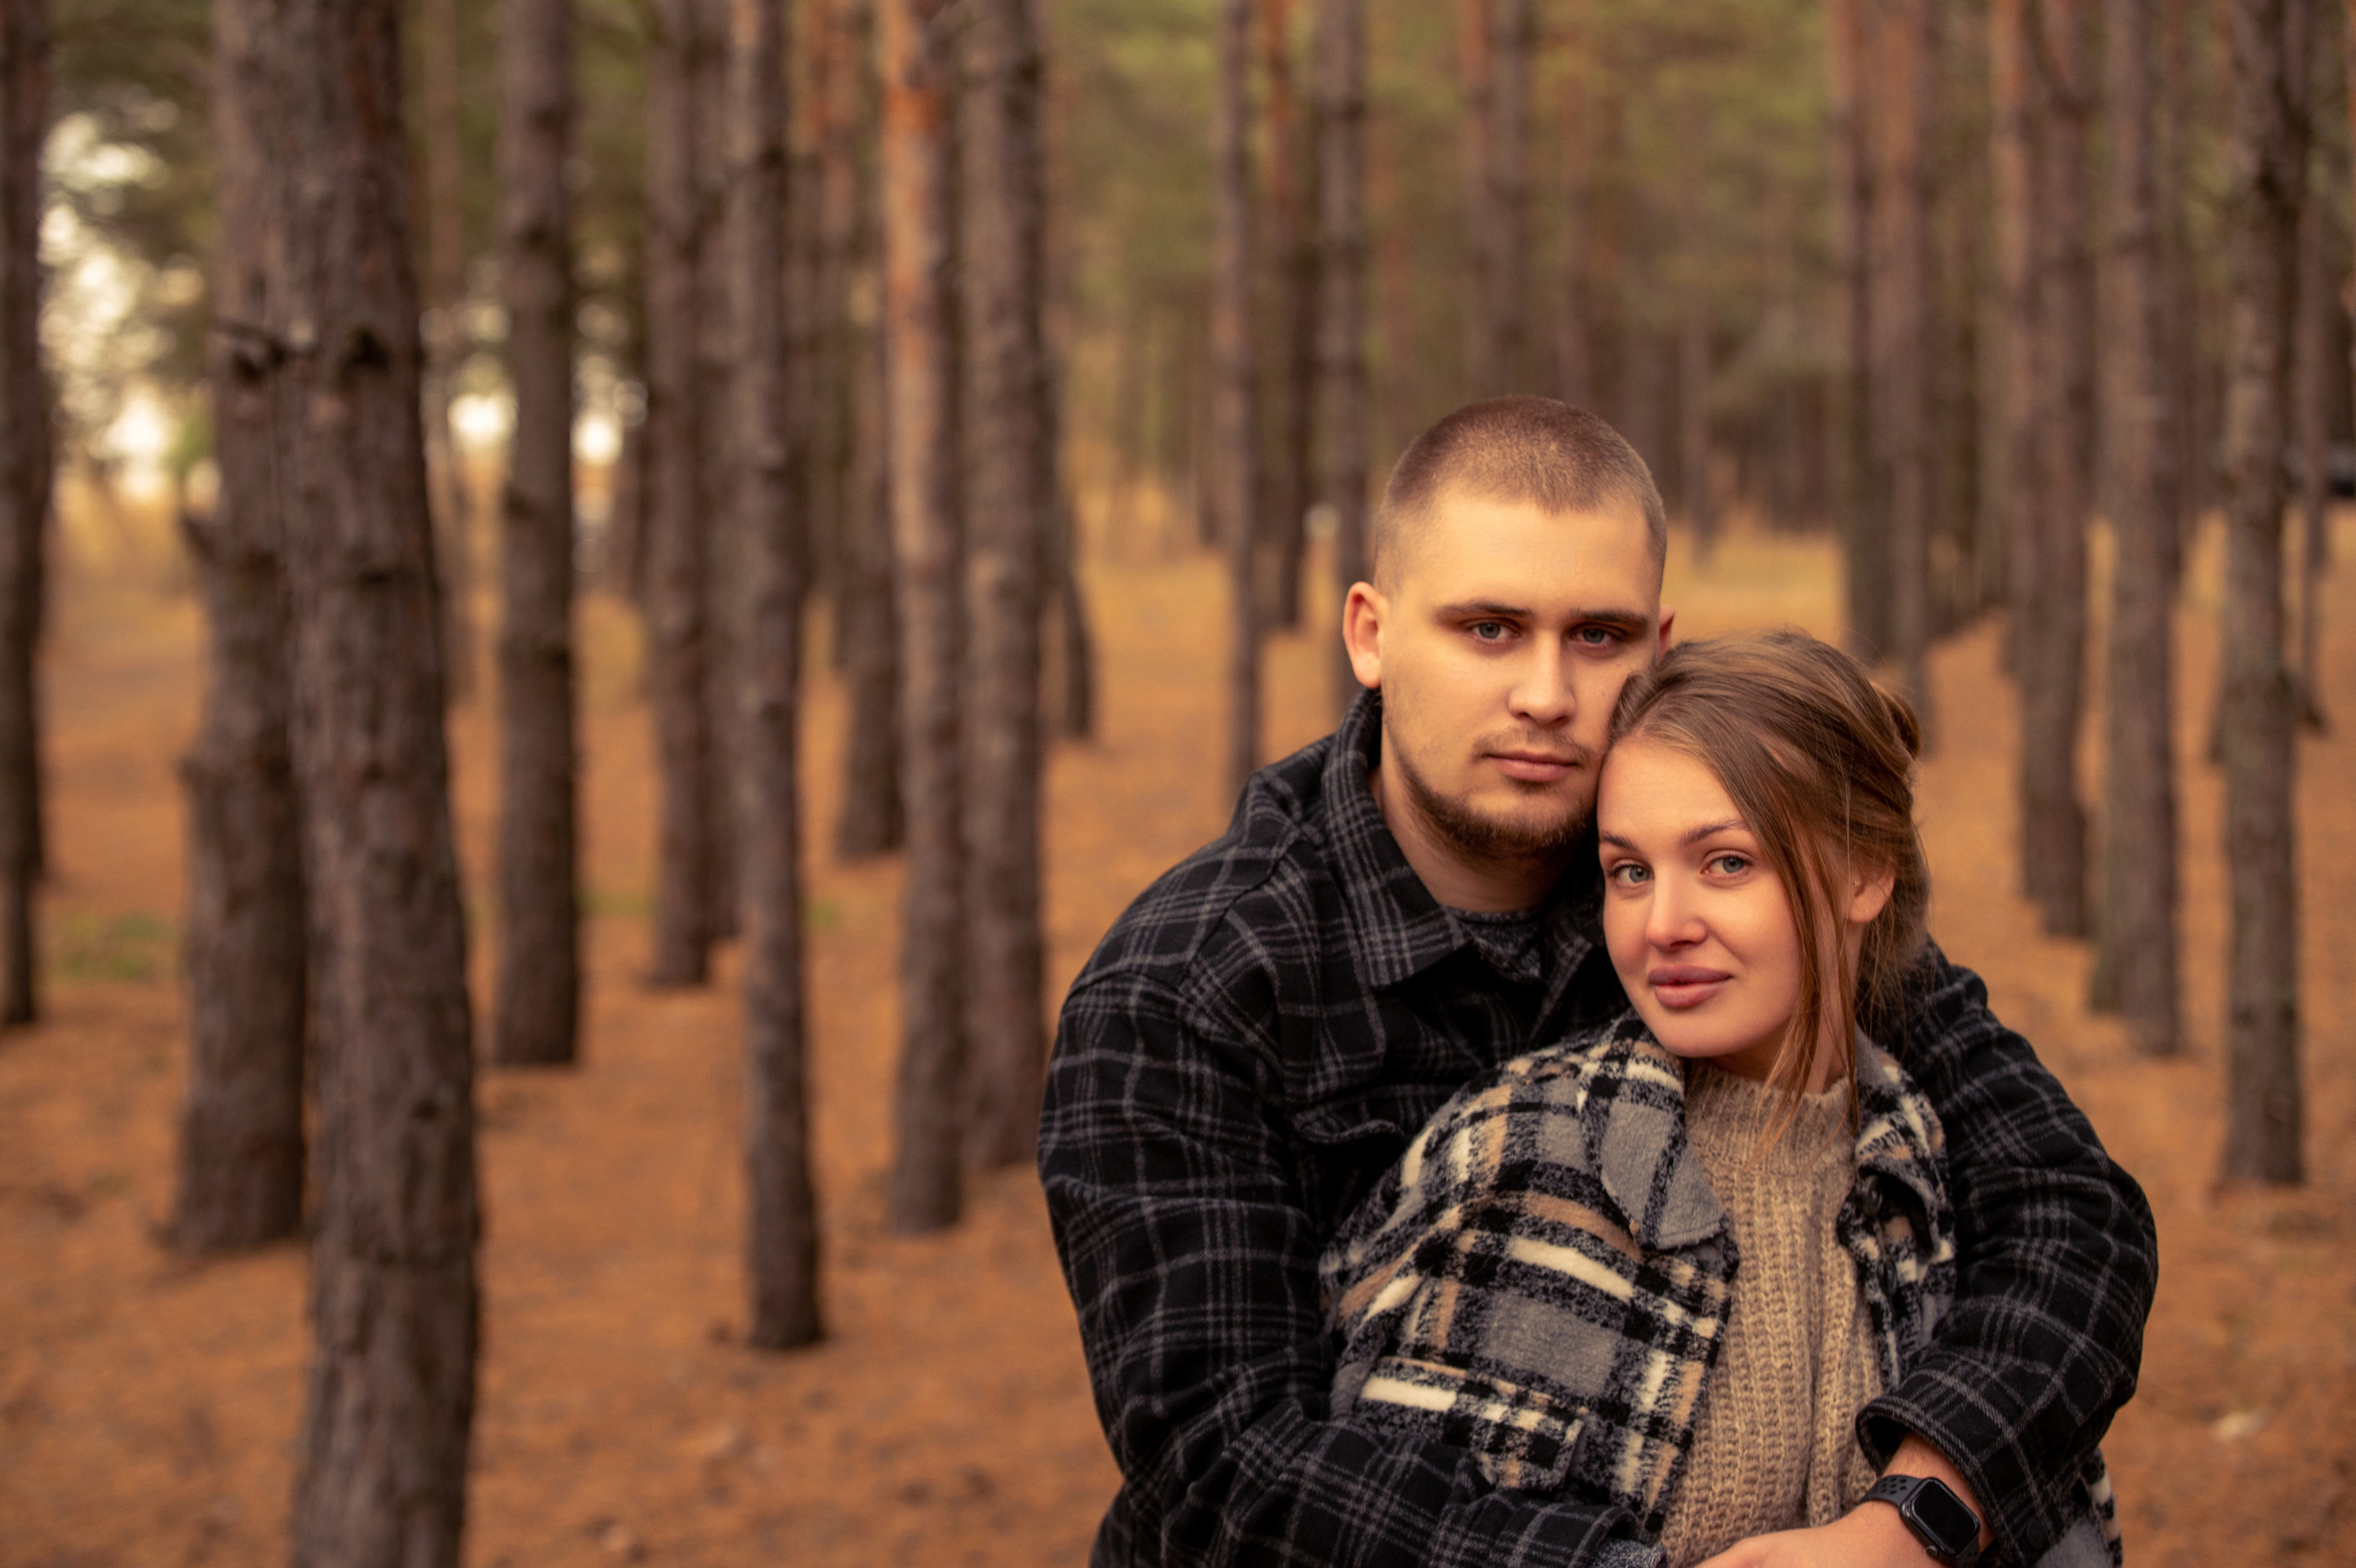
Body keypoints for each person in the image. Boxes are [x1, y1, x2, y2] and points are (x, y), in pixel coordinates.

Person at [1040, 398, 2155, 1568]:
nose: (1545, 695)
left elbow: (2072, 1211)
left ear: (1658, 646)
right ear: (1368, 632)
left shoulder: (1718, 888)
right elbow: (1226, 1469)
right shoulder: (1184, 989)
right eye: (1486, 629)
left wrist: (1914, 1516)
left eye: (1597, 636)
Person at [1320, 630, 2118, 1568]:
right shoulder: (1524, 1158)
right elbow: (1374, 1523)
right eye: (1629, 872)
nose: (1663, 927)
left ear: (1864, 873)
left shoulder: (1942, 1184)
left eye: (1726, 863)